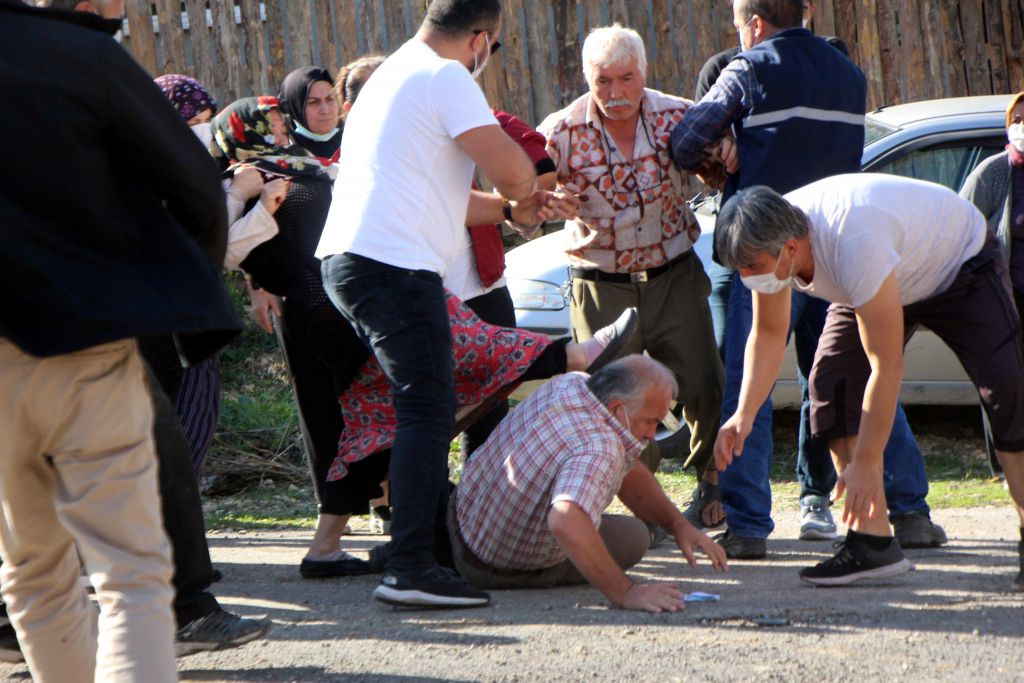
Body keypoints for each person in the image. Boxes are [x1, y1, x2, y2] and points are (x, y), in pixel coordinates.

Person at [0, 0, 249, 678]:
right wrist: (175, 303)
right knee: (133, 571)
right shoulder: (80, 53)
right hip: (87, 344)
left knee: (32, 572)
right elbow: (199, 189)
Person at [316, 0, 578, 608]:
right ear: (480, 41)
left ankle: (422, 552)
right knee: (428, 408)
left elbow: (456, 198)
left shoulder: (394, 76)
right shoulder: (446, 76)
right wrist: (524, 192)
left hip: (357, 261)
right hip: (391, 266)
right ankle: (412, 565)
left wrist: (512, 211)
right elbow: (517, 171)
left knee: (426, 405)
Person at [669, 0, 944, 557]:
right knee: (861, 373)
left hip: (768, 247)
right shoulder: (848, 74)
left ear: (754, 23)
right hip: (834, 247)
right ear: (804, 12)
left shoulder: (749, 68)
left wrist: (728, 159)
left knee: (754, 381)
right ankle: (910, 508)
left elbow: (684, 141)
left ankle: (747, 525)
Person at [713, 174, 1024, 589]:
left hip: (958, 261)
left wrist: (865, 461)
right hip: (881, 277)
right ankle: (871, 542)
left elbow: (887, 367)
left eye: (751, 267)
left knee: (1007, 389)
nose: (747, 276)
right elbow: (768, 334)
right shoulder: (768, 239)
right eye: (740, 268)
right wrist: (743, 414)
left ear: (790, 249)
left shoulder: (854, 240)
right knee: (832, 383)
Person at [537, 24, 725, 534]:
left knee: (706, 382)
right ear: (586, 78)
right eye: (603, 82)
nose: (616, 94)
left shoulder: (677, 116)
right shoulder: (560, 129)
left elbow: (721, 168)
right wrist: (547, 201)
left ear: (644, 72)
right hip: (601, 283)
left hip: (673, 275)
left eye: (626, 78)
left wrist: (721, 161)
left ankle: (710, 483)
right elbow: (523, 203)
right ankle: (648, 512)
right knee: (612, 401)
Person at [300, 298, 637, 578]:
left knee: (379, 423)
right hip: (365, 298)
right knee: (416, 407)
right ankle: (412, 556)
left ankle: (334, 549)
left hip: (340, 300)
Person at [450, 355, 728, 611]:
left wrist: (678, 524)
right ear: (618, 408)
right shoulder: (601, 447)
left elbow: (626, 467)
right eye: (651, 421)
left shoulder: (572, 383)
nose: (653, 434)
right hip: (495, 566)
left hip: (460, 520)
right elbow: (565, 521)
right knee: (634, 537)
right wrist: (627, 592)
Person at [154, 73, 224, 480]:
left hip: (198, 312)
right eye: (192, 120)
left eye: (207, 120)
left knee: (197, 415)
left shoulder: (205, 169)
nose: (203, 130)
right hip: (160, 315)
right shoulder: (148, 170)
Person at [279, 65, 342, 160]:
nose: (325, 110)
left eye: (330, 99)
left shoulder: (359, 140)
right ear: (295, 108)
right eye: (313, 102)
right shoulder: (280, 156)